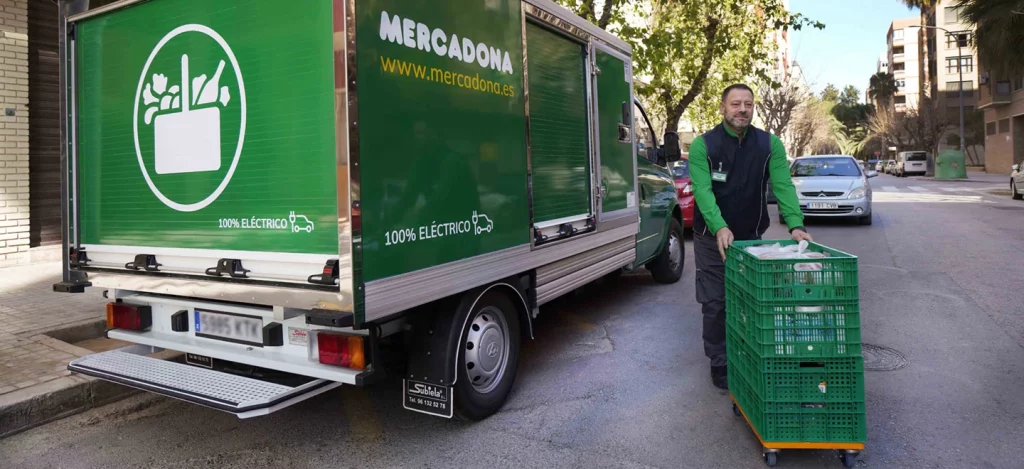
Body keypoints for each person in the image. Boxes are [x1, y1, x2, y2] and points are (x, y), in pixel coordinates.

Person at [688, 83, 812, 389]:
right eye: (735, 104)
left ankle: (749, 351)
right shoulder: (704, 145)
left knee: (750, 298)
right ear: (722, 108)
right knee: (716, 301)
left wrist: (795, 224)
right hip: (710, 236)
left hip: (752, 237)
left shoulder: (769, 145)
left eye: (748, 104)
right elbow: (703, 192)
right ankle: (720, 361)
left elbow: (783, 186)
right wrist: (719, 227)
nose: (742, 109)